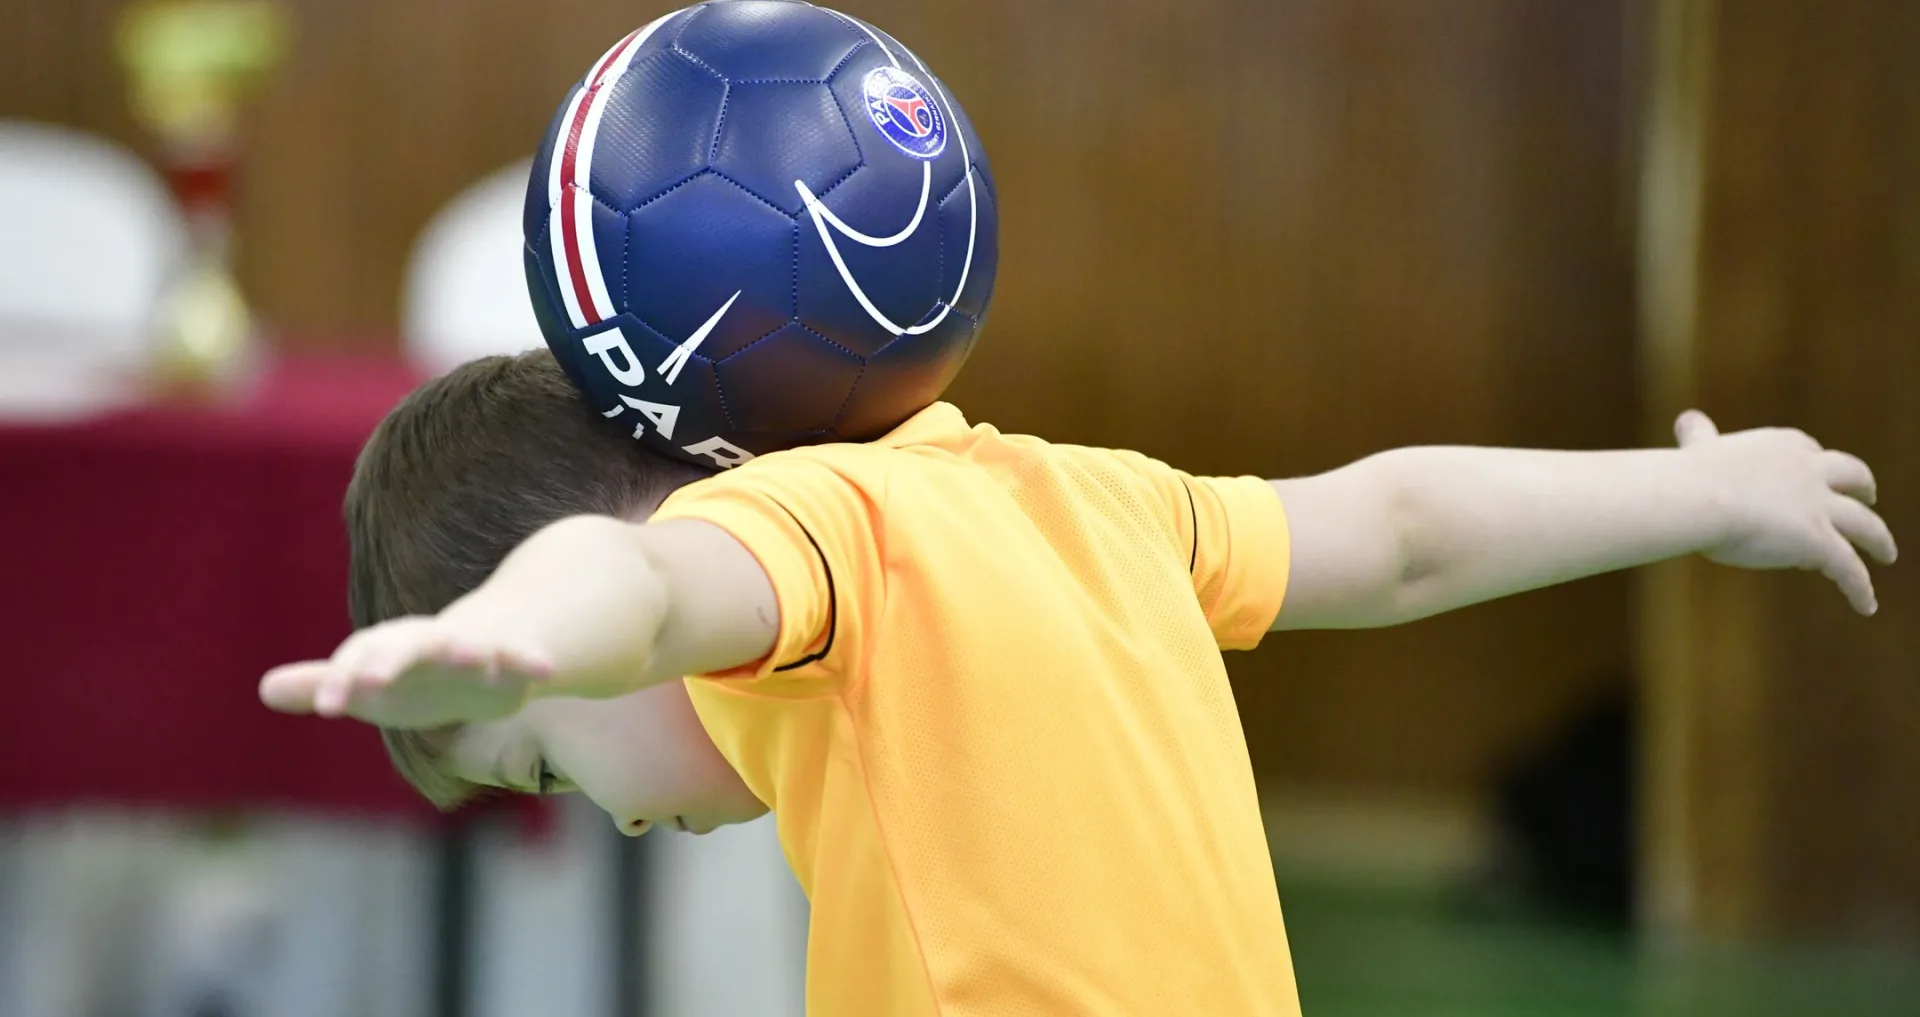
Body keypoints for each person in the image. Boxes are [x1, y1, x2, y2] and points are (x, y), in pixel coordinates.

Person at [259, 350, 1895, 1017]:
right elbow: (1393, 531)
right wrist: (1700, 494)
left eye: (545, 771)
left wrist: (531, 631)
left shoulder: (794, 528)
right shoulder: (1066, 492)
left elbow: (641, 578)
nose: (603, 819)